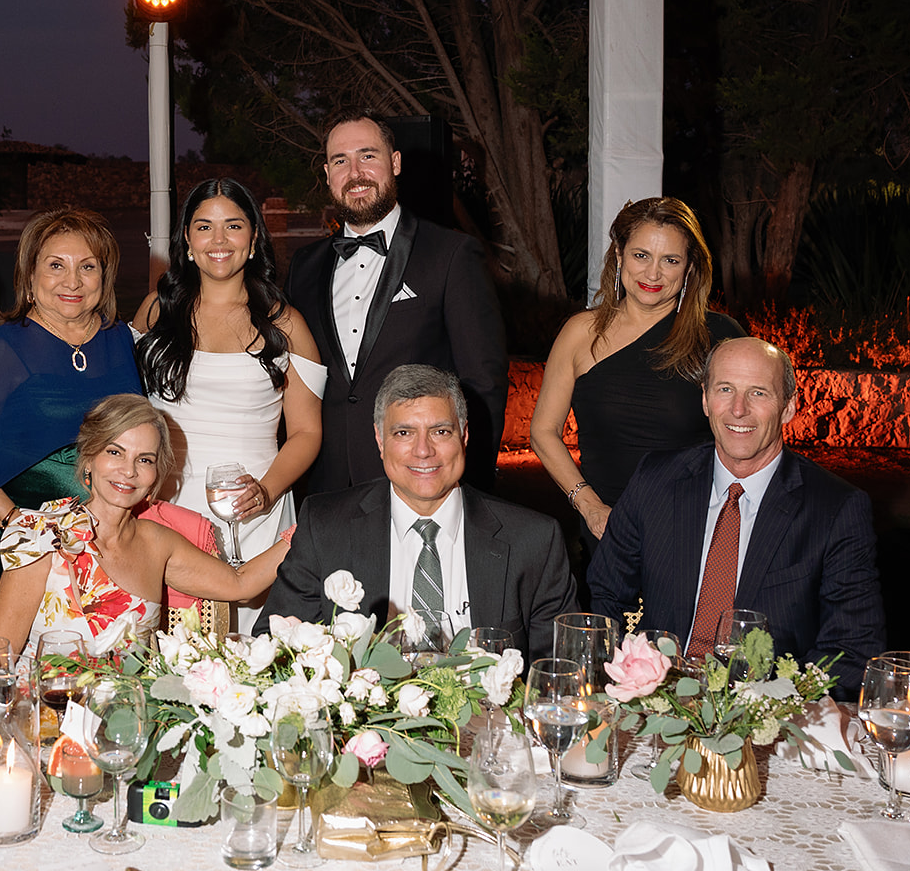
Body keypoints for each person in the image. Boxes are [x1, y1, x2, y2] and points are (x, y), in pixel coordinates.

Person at [587, 337, 885, 698]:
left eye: (758, 393)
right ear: (704, 400)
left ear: (789, 407)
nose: (738, 409)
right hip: (658, 706)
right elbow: (605, 594)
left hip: (765, 719)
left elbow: (851, 652)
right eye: (725, 389)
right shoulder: (656, 480)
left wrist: (765, 709)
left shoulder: (835, 509)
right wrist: (627, 677)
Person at [255, 365, 578, 661]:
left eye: (440, 431)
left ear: (464, 436)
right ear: (380, 440)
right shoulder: (326, 526)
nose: (423, 451)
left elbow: (560, 667)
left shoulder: (532, 539)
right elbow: (274, 642)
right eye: (403, 433)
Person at [134, 178, 326, 631]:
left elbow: (307, 432)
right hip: (165, 508)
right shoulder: (154, 313)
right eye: (204, 227)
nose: (218, 241)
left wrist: (266, 491)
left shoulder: (287, 323)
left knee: (252, 652)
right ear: (187, 238)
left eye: (233, 226)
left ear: (254, 237)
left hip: (253, 510)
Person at [284, 106, 508, 493]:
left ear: (395, 162)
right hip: (325, 486)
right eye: (341, 160)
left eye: (367, 156)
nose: (355, 173)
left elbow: (483, 382)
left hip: (421, 479)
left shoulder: (451, 254)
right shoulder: (304, 267)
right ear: (327, 175)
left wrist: (471, 487)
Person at [0, 394, 291, 653]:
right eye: (115, 452)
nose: (128, 470)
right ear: (89, 457)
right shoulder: (41, 533)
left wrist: (309, 529)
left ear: (156, 473)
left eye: (144, 459)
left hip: (127, 715)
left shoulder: (157, 542)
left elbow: (241, 585)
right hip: (46, 713)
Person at [0, 208, 144, 601]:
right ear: (30, 276)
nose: (73, 281)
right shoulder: (5, 349)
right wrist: (21, 526)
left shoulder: (118, 338)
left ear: (105, 278)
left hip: (109, 536)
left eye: (88, 266)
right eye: (56, 265)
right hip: (27, 546)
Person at [531, 197, 745, 550]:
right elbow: (543, 430)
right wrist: (590, 507)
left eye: (670, 260)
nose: (652, 274)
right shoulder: (580, 333)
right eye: (641, 255)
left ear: (689, 267)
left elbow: (749, 435)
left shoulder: (720, 337)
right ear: (619, 255)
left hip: (696, 531)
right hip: (607, 530)